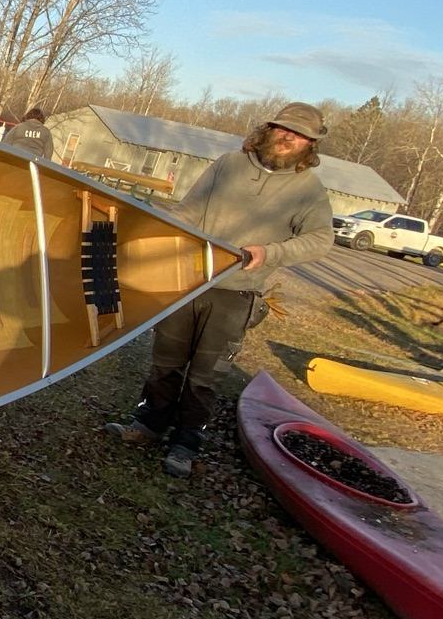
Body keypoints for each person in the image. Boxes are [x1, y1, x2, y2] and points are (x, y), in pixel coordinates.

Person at [106, 101, 335, 477]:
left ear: (310, 145)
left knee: (205, 374)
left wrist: (271, 252)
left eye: (299, 135)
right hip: (188, 281)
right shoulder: (229, 164)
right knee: (166, 361)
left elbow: (321, 240)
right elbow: (189, 211)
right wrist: (163, 234)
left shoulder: (307, 189)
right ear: (269, 129)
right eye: (283, 129)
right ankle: (147, 425)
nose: (288, 137)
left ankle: (185, 444)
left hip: (237, 292)